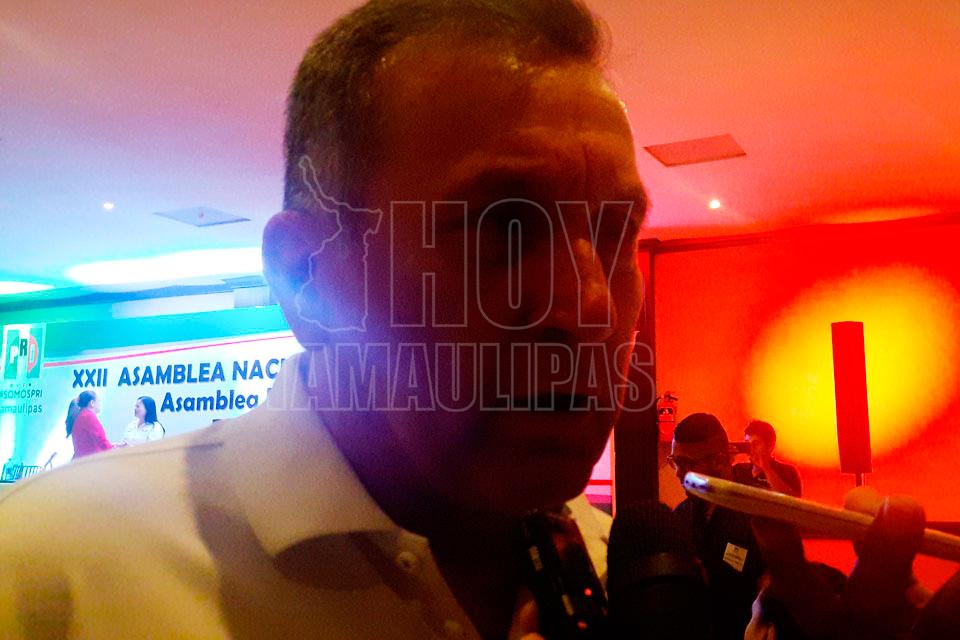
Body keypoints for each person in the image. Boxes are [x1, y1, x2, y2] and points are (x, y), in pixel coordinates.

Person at [0, 1, 640, 637]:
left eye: (617, 232)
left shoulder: (623, 575)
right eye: (503, 226)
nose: (592, 307)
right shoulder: (48, 575)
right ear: (307, 276)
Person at [669, 412, 766, 640]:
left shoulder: (759, 515)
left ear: (720, 461)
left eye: (686, 464)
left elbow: (772, 593)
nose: (678, 473)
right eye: (674, 462)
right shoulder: (680, 516)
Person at [733, 419, 802, 497]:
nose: (751, 448)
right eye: (747, 444)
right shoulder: (738, 470)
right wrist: (726, 462)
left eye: (756, 444)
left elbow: (792, 501)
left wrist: (766, 468)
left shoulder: (787, 472)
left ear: (770, 446)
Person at [68, 390, 113, 460]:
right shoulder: (89, 416)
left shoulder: (81, 415)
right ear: (92, 403)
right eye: (99, 401)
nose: (100, 404)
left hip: (83, 461)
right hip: (91, 462)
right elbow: (102, 441)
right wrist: (115, 452)